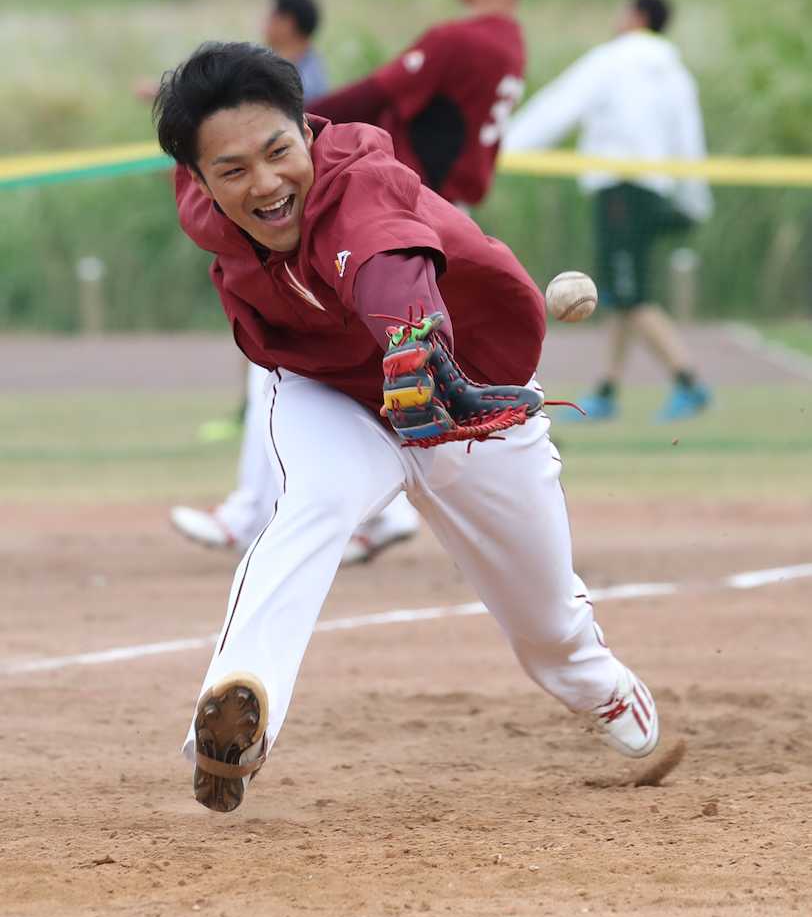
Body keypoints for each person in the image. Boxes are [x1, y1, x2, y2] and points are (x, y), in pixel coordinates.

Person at [154, 40, 660, 814]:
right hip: (332, 399)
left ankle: (601, 687)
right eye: (231, 171)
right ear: (197, 180)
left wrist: (409, 339)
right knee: (311, 509)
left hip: (468, 406)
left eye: (278, 151)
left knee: (546, 620)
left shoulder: (361, 184)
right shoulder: (205, 206)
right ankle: (232, 720)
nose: (264, 183)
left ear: (308, 132)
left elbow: (389, 261)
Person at [302, 0, 546, 559]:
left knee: (320, 353)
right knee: (426, 366)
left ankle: (332, 509)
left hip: (406, 220)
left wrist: (276, 120)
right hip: (440, 214)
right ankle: (372, 509)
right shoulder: (510, 42)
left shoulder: (460, 39)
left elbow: (370, 98)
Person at [168, 0, 332, 554]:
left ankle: (246, 514)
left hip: (319, 259)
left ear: (288, 21)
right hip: (293, 263)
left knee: (279, 373)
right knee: (281, 373)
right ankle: (372, 518)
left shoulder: (291, 87)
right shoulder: (278, 76)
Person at [505, 0, 714, 422]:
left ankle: (689, 380)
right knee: (623, 291)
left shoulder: (614, 59)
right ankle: (607, 389)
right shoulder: (675, 71)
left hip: (619, 189)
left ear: (636, 15)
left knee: (630, 295)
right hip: (653, 189)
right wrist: (696, 197)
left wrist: (505, 149)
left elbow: (560, 103)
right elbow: (688, 136)